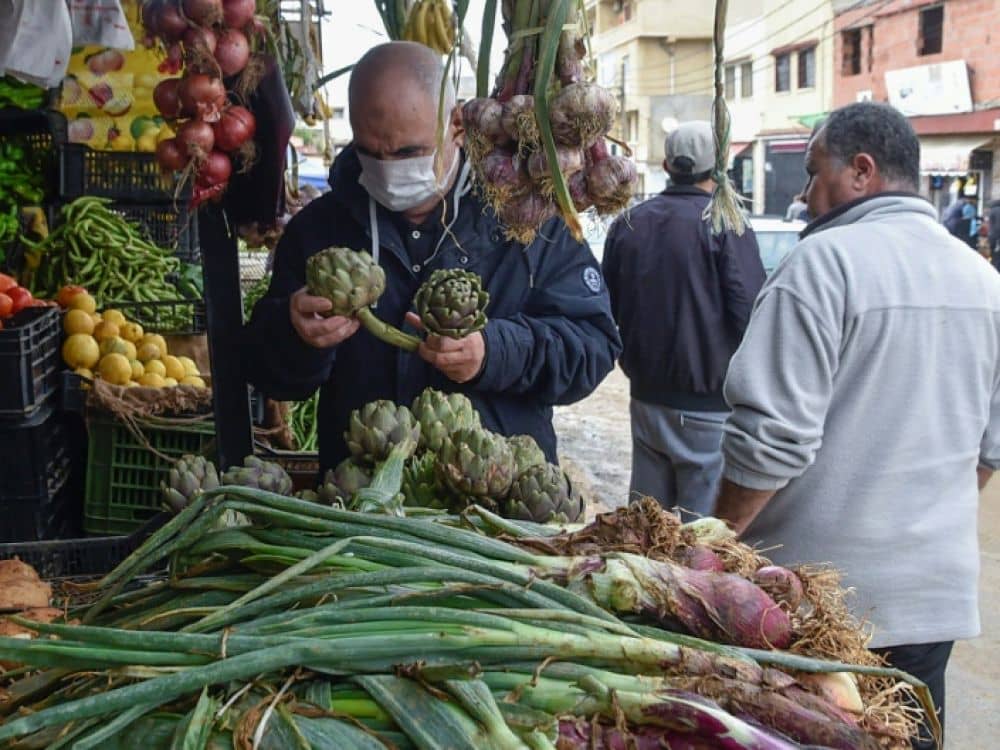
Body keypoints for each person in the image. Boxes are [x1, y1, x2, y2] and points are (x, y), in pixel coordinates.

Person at [714, 102, 1000, 749]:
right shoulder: (986, 282)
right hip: (932, 602)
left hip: (816, 608)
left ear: (862, 171)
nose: (808, 195)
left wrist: (714, 544)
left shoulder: (820, 266)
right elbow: (991, 450)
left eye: (815, 174)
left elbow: (770, 442)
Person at [243, 42, 621, 472]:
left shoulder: (527, 220)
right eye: (370, 152)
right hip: (363, 505)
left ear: (456, 124)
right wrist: (296, 335)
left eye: (408, 153)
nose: (389, 169)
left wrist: (494, 352)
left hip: (497, 499)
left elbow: (593, 345)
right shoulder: (317, 231)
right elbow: (264, 371)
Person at [601, 121, 765, 519]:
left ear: (666, 165)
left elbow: (607, 309)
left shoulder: (628, 223)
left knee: (645, 530)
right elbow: (752, 315)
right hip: (709, 408)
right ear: (720, 167)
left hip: (645, 399)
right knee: (698, 544)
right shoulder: (727, 223)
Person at [987, 196, 1000, 271]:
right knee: (997, 256)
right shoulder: (997, 210)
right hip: (996, 236)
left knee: (994, 255)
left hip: (993, 236)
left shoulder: (993, 210)